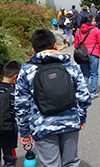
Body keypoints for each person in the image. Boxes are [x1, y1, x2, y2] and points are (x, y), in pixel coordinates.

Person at [15, 29, 91, 167]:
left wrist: (25, 130)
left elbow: (21, 104)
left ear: (33, 50)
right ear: (55, 46)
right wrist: (81, 117)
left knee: (50, 164)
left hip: (42, 125)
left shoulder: (27, 69)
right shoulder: (70, 64)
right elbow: (83, 95)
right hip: (70, 123)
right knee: (71, 163)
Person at [74, 14, 100, 99]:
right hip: (94, 54)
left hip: (83, 55)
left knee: (85, 74)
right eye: (94, 20)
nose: (95, 22)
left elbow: (76, 44)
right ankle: (93, 92)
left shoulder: (79, 31)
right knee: (94, 74)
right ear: (89, 22)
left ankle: (84, 92)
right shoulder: (96, 30)